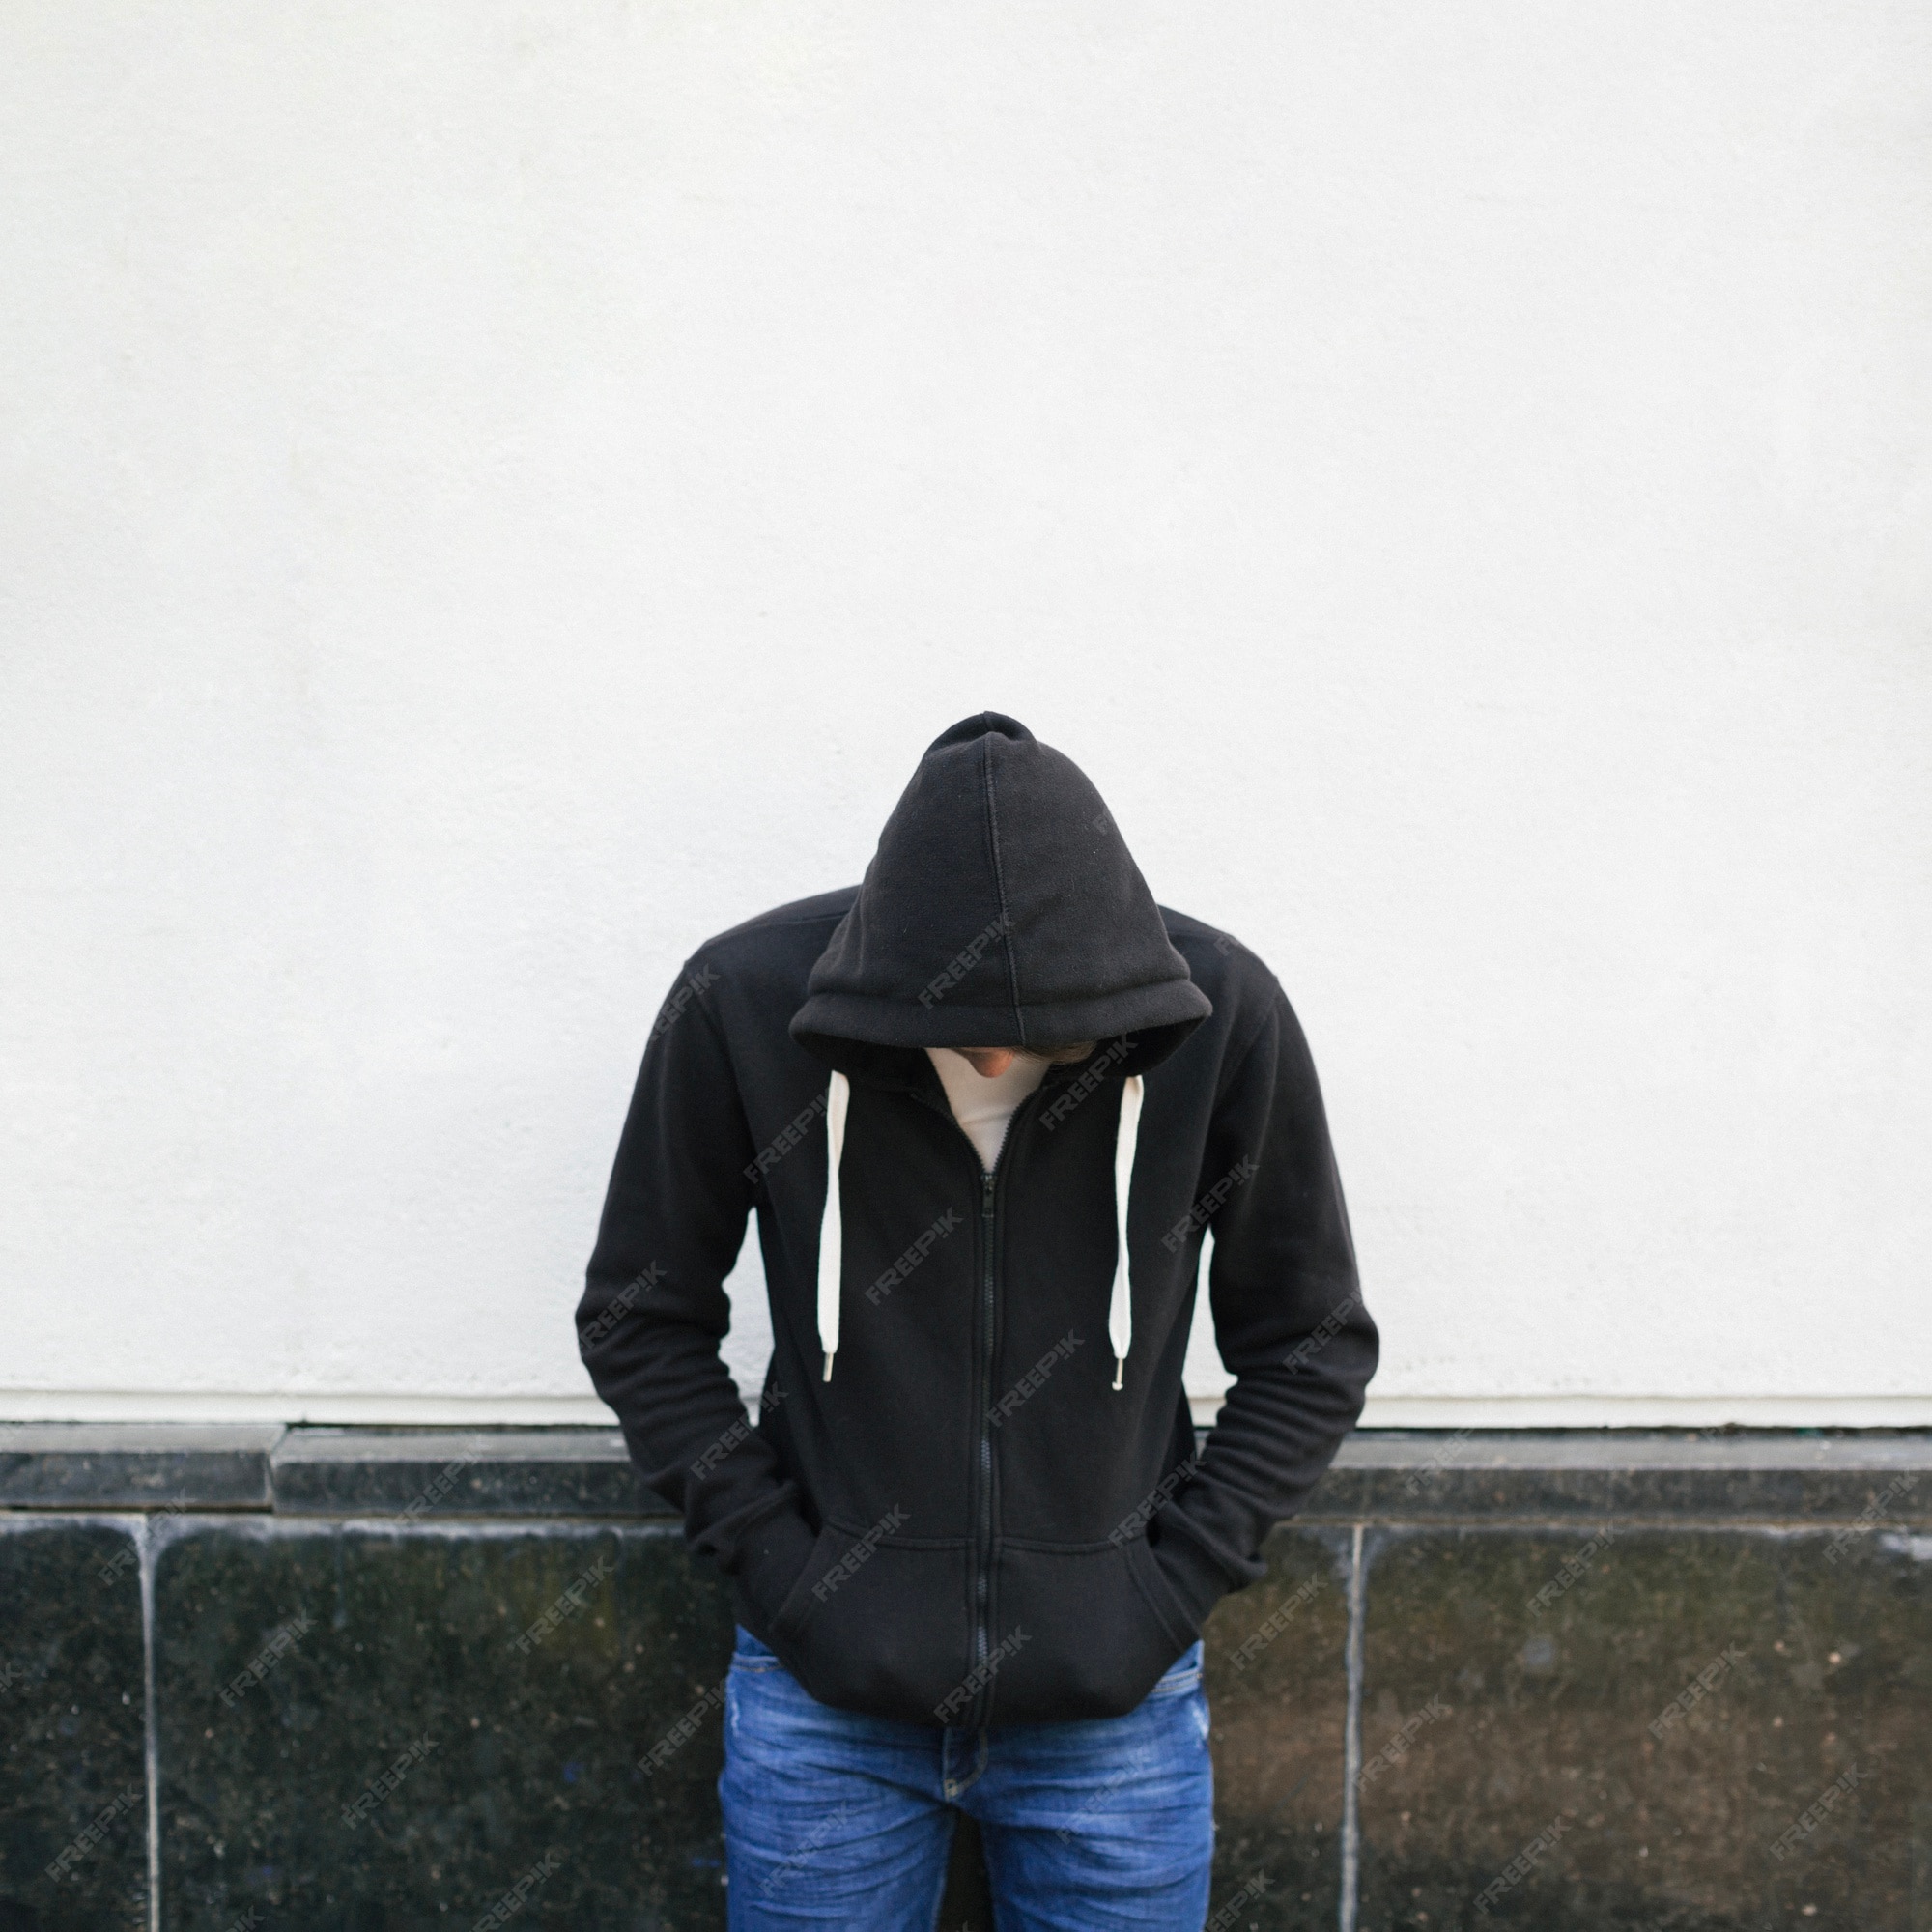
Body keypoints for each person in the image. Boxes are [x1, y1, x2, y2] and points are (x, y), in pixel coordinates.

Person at [578, 712, 1377, 1930]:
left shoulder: (1217, 1013)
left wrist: (1161, 1594)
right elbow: (641, 1314)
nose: (1001, 1054)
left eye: (1046, 1024)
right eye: (963, 1024)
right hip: (823, 1711)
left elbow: (1310, 1337)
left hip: (1113, 1719)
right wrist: (791, 1580)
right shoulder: (743, 1002)